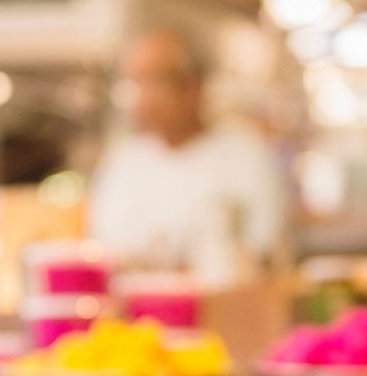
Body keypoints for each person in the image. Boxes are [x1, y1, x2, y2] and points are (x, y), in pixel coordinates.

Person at [89, 28, 285, 289]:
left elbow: (263, 256)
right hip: (139, 322)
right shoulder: (122, 164)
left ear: (195, 84)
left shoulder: (245, 157)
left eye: (157, 81)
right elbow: (104, 255)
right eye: (136, 83)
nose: (145, 98)